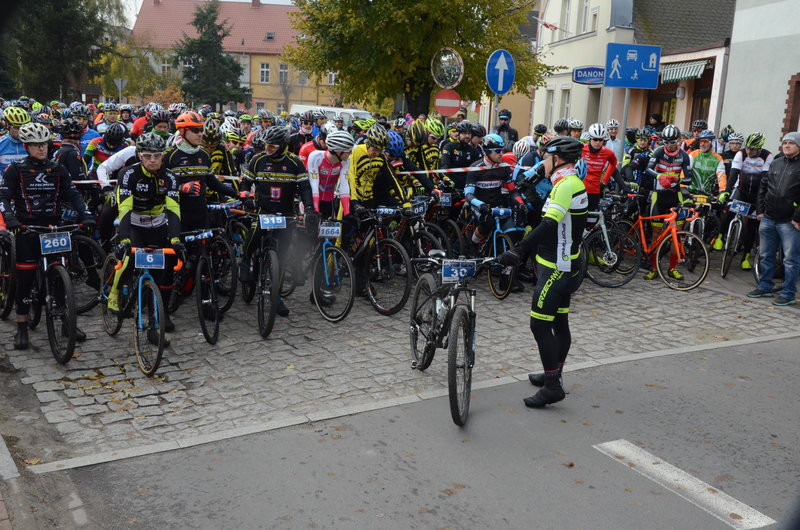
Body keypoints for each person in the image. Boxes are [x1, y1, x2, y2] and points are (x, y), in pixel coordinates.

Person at [496, 136, 587, 408]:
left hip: (557, 268)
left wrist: (519, 251)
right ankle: (553, 373)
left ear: (557, 159)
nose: (542, 161)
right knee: (559, 322)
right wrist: (532, 193)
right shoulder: (568, 181)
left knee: (539, 324)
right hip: (565, 264)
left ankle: (552, 386)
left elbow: (548, 225)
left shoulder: (565, 185)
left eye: (546, 157)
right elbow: (550, 218)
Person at [0, 123, 95, 349]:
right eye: (35, 145)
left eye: (43, 144)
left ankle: (66, 321)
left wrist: (86, 215)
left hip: (54, 228)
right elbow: (3, 198)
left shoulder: (57, 169)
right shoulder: (15, 169)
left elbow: (73, 194)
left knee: (61, 275)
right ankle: (22, 326)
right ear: (27, 147)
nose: (41, 148)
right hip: (27, 228)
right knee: (25, 278)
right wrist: (11, 219)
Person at [107, 132, 182, 345]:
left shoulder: (170, 177)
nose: (152, 160)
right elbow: (124, 209)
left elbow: (174, 210)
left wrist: (175, 239)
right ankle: (114, 292)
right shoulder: (128, 174)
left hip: (157, 225)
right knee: (129, 259)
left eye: (157, 155)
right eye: (148, 155)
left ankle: (153, 327)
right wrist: (124, 239)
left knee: (160, 275)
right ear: (139, 155)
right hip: (134, 223)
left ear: (163, 156)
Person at [241, 126, 315, 317]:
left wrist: (309, 208)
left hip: (285, 214)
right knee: (254, 236)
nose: (268, 150)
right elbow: (245, 183)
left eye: (272, 147)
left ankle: (277, 297)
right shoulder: (257, 160)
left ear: (283, 146)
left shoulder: (295, 162)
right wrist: (246, 196)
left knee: (281, 258)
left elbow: (305, 187)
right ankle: (246, 261)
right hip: (263, 211)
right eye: (266, 146)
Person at [748, 132, 800, 305]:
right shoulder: (776, 162)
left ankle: (788, 293)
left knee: (790, 260)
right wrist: (760, 210)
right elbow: (763, 187)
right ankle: (765, 286)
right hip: (768, 218)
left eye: (791, 143)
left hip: (789, 221)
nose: (787, 145)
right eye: (785, 143)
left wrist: (797, 217)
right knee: (765, 255)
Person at [643, 124, 692, 280]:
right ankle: (653, 268)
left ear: (678, 140)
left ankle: (672, 268)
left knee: (676, 235)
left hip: (675, 197)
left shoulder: (684, 156)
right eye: (666, 142)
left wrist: (677, 179)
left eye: (673, 142)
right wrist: (660, 176)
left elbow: (689, 179)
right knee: (656, 233)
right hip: (659, 196)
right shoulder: (658, 151)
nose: (669, 145)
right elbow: (648, 169)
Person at [720, 132, 773, 270]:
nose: (749, 151)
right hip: (741, 191)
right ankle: (720, 237)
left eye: (752, 149)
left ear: (759, 148)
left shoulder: (767, 156)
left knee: (753, 227)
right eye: (748, 148)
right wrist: (727, 191)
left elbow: (764, 181)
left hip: (757, 195)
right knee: (730, 213)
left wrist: (761, 201)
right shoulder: (741, 154)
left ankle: (745, 257)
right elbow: (733, 175)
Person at [0, 106, 31, 175]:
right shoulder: (1, 143)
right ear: (8, 126)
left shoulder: (33, 143)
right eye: (17, 127)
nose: (21, 131)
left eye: (24, 127)